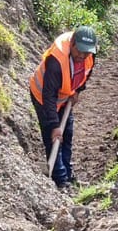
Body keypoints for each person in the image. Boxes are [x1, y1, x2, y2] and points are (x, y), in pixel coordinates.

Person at [28, 25, 98, 188]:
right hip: (43, 96)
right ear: (72, 43)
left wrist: (78, 90)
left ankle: (67, 172)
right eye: (79, 51)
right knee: (53, 137)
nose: (82, 56)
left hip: (65, 96)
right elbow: (48, 96)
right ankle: (59, 179)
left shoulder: (90, 54)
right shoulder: (56, 61)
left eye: (86, 53)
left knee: (67, 133)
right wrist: (54, 125)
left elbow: (87, 72)